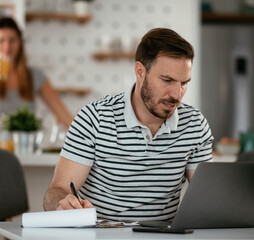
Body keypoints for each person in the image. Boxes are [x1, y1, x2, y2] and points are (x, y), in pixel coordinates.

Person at [43, 28, 213, 222]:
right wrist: (63, 204)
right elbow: (56, 192)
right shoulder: (94, 118)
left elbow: (208, 198)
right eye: (167, 80)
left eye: (184, 83)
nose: (176, 94)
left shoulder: (194, 125)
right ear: (140, 71)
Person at [0, 17, 73, 128]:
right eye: (1, 41)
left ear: (20, 43)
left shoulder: (34, 76)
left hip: (26, 144)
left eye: (12, 40)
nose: (7, 47)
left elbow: (65, 117)